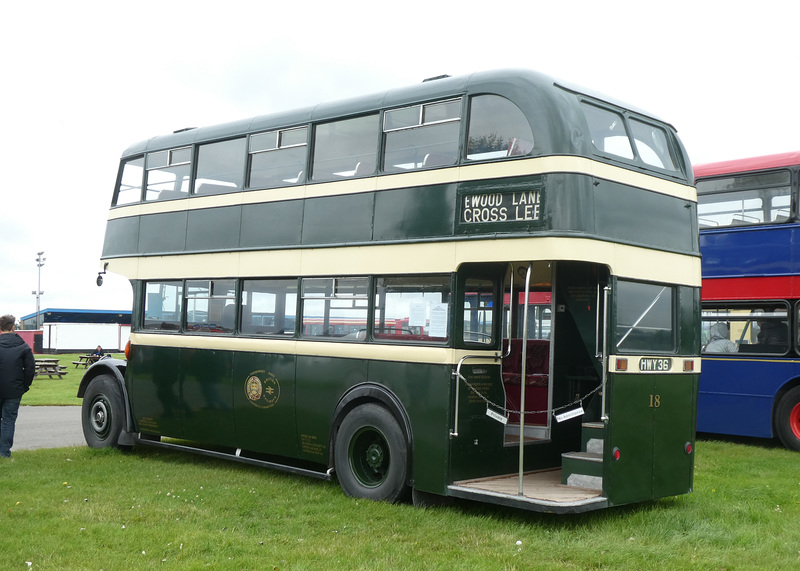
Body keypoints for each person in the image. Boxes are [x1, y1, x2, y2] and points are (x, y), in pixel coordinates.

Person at [0, 314, 36, 458]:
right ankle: (4, 452)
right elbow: (30, 369)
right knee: (8, 420)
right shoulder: (23, 346)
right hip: (14, 389)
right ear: (13, 327)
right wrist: (25, 386)